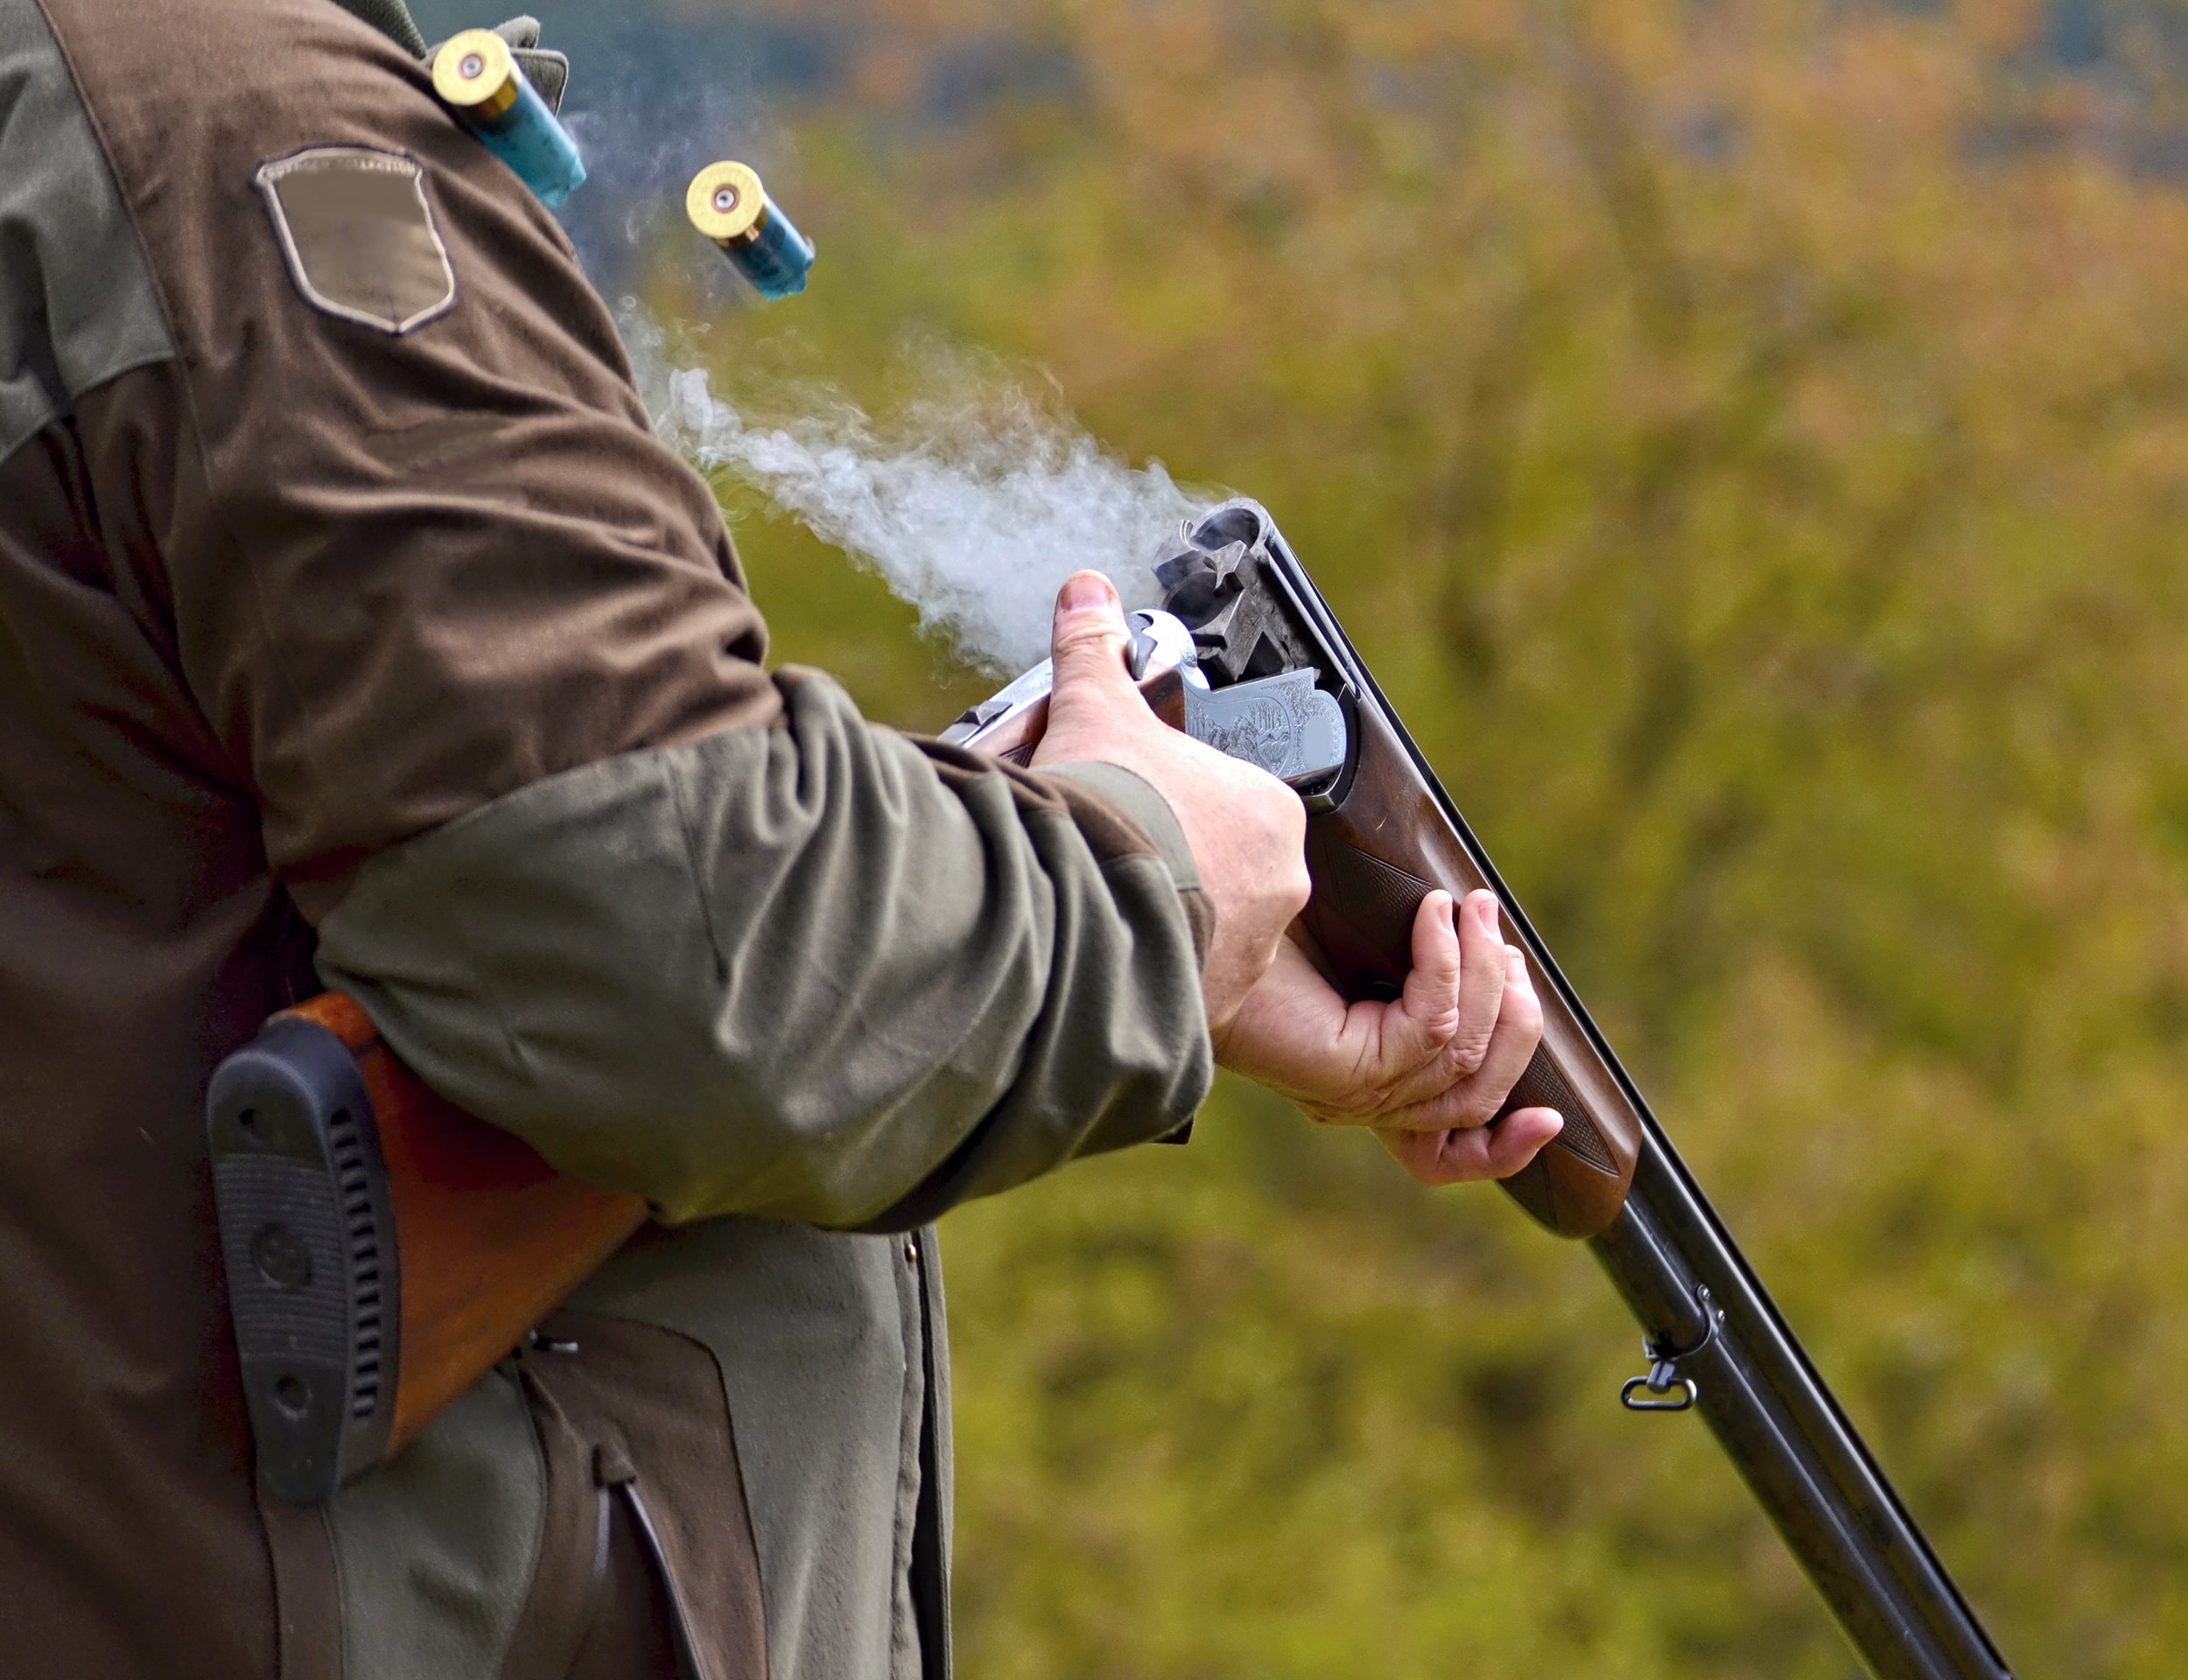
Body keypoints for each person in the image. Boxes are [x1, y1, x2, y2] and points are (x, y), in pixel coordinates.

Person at [0, 0, 1562, 1674]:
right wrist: (1131, 893)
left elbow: (426, 826)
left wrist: (1068, 869)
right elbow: (664, 937)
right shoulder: (217, 119)